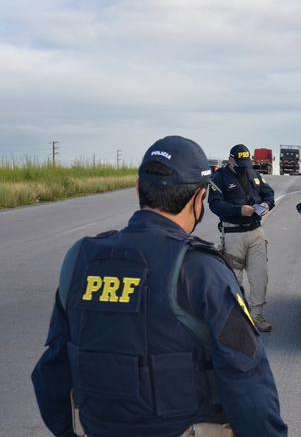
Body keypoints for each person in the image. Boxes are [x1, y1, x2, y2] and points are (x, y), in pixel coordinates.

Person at [31, 136, 288, 437]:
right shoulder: (202, 270)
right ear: (198, 200)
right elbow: (248, 379)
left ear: (139, 189)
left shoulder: (80, 259)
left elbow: (51, 372)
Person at [208, 144, 276, 332]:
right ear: (230, 160)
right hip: (233, 234)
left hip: (256, 233)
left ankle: (257, 316)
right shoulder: (219, 177)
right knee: (234, 277)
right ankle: (236, 319)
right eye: (239, 163)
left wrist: (266, 204)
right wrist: (238, 210)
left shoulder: (253, 174)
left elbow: (269, 193)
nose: (243, 167)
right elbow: (214, 204)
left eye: (246, 163)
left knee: (260, 275)